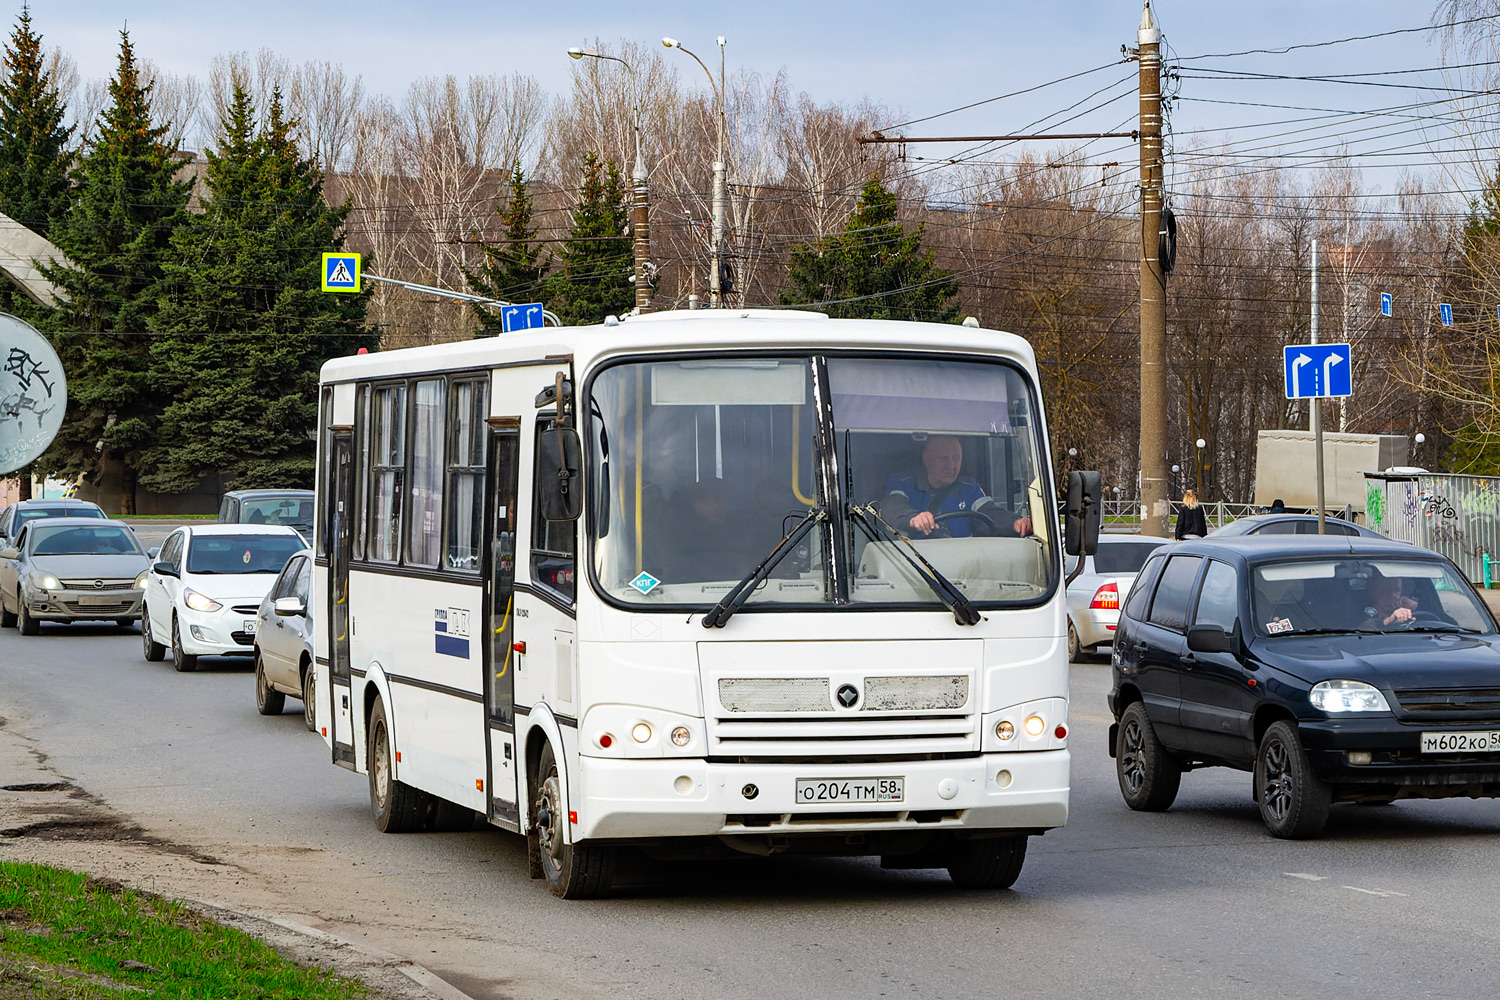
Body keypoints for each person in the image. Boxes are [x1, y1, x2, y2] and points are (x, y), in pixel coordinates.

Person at [882, 435, 1031, 539]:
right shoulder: (902, 483)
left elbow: (990, 512)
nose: (951, 465)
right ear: (926, 459)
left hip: (962, 570)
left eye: (956, 458)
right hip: (915, 567)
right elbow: (894, 508)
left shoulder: (969, 488)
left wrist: (1015, 522)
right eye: (944, 458)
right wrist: (914, 519)